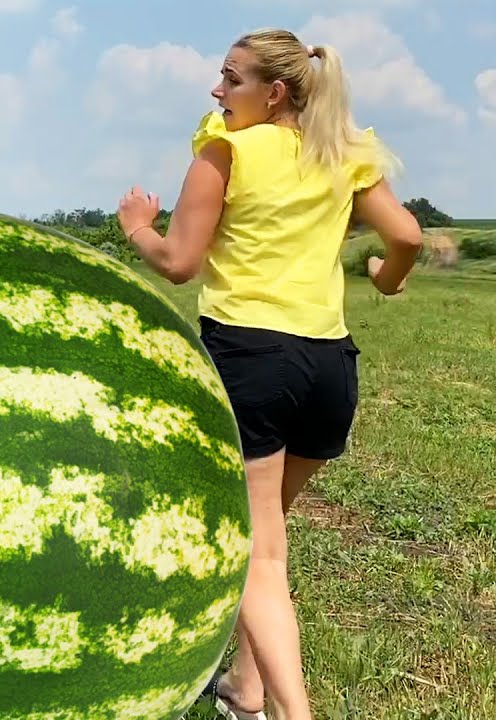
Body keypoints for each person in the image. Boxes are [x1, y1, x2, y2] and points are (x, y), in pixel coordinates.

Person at [115, 28, 422, 720]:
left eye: (231, 79)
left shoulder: (225, 150)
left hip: (251, 360)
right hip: (328, 368)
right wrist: (386, 278)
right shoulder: (343, 153)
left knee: (259, 555)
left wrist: (138, 226)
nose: (217, 91)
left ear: (274, 91)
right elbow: (404, 236)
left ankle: (289, 711)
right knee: (269, 532)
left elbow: (179, 263)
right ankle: (246, 687)